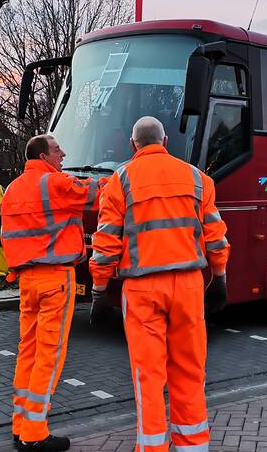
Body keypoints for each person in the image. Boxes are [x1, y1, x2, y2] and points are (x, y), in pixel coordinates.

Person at [90, 116, 230, 452]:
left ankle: (152, 447)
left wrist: (98, 290)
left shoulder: (118, 182)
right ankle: (194, 445)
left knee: (148, 375)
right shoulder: (197, 179)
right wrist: (220, 276)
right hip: (189, 285)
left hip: (141, 289)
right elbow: (215, 235)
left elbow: (106, 242)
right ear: (165, 141)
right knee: (190, 369)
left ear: (132, 144)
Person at [0, 134, 106, 452]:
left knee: (28, 354)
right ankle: (35, 433)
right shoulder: (53, 183)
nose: (64, 154)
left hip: (27, 281)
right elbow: (97, 194)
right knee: (50, 356)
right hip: (55, 278)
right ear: (44, 156)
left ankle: (20, 427)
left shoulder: (12, 189)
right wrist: (128, 172)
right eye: (58, 150)